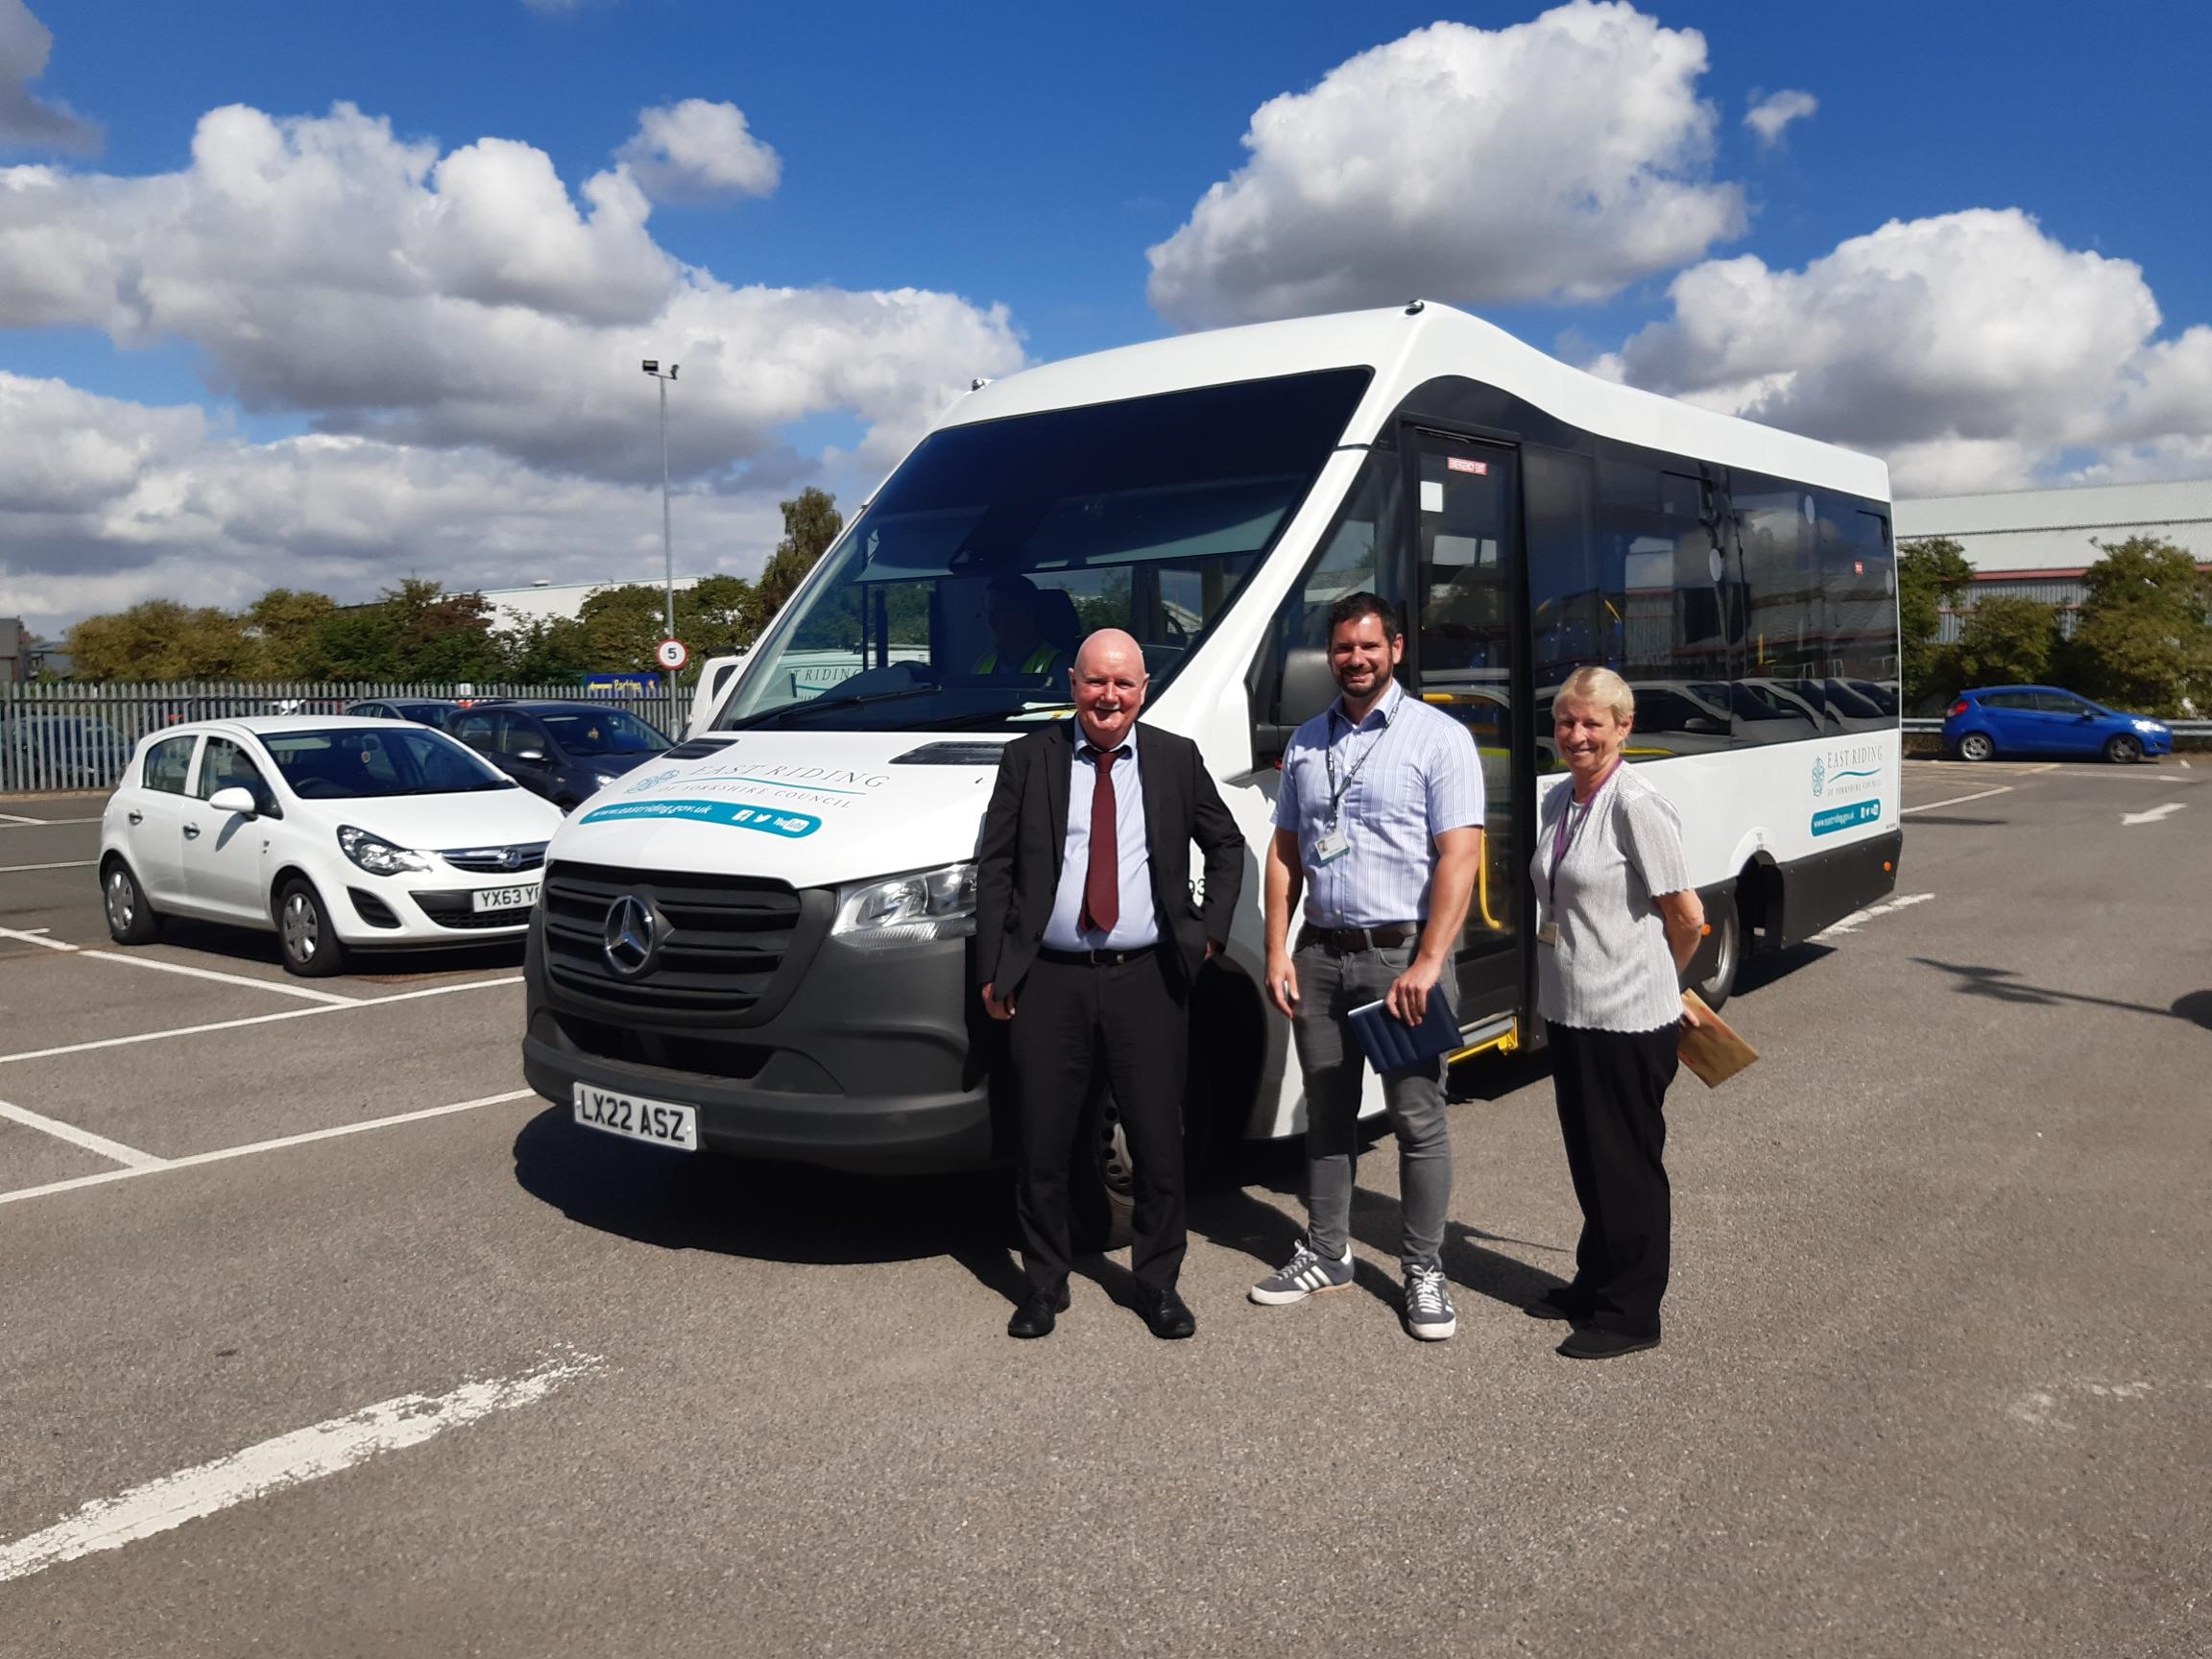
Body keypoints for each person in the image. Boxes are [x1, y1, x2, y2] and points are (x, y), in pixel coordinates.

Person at [975, 628, 1243, 1340]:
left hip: (1147, 980)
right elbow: (994, 869)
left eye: (1124, 683)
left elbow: (1226, 843)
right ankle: (1043, 1286)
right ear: (1072, 684)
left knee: (1159, 1142)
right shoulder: (1028, 759)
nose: (1109, 696)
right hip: (1049, 983)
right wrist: (994, 971)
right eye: (1097, 682)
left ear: (1144, 689)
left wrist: (1208, 932)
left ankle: (1157, 1285)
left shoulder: (1175, 760)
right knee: (1042, 1143)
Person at [1251, 592, 1483, 1341]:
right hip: (1321, 955)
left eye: (1369, 646)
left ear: (1397, 649)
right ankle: (1327, 1252)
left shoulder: (1438, 738)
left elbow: (1461, 857)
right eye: (1344, 648)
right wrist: (1279, 950)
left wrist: (1428, 961)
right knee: (1326, 1112)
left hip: (1399, 962)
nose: (1355, 659)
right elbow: (1286, 851)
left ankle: (1423, 1269)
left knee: (1418, 1120)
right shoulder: (1308, 743)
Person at [1527, 665, 1705, 1360]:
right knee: (1589, 1159)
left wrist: (1663, 984)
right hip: (1573, 1009)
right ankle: (1594, 1282)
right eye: (1567, 722)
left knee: (1627, 1165)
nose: (1577, 735)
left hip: (1630, 1018)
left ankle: (1633, 1314)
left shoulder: (1636, 805)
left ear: (1623, 728)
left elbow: (1685, 917)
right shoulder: (1558, 801)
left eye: (1592, 723)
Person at [973, 575, 1072, 678]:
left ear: (1028, 613)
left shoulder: (1060, 665)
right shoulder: (983, 664)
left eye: (1000, 611)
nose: (991, 621)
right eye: (988, 613)